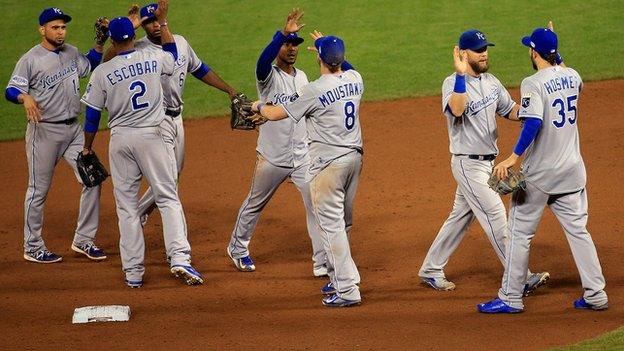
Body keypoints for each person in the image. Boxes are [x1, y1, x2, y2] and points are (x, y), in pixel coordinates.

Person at [477, 26, 608, 313]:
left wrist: (513, 157)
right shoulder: (573, 76)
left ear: (534, 52)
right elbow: (563, 72)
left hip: (541, 175)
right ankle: (596, 294)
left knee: (519, 232)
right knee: (579, 232)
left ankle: (510, 297)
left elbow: (533, 122)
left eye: (530, 48)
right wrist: (553, 49)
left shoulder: (532, 83)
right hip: (573, 172)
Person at [80, 1, 203, 288]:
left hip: (120, 140)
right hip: (152, 135)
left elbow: (92, 115)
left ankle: (133, 272)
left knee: (126, 208)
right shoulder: (154, 58)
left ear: (112, 40)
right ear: (134, 37)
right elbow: (173, 55)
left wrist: (87, 148)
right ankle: (180, 258)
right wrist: (164, 22)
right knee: (167, 196)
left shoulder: (102, 72)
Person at [418, 29, 549, 294]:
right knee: (496, 215)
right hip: (468, 164)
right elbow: (456, 110)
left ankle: (431, 268)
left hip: (487, 164)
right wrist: (460, 75)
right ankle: (520, 278)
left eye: (485, 48)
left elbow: (510, 110)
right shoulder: (452, 83)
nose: (484, 53)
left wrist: (531, 111)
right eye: (478, 50)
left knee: (460, 217)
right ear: (463, 54)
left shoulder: (491, 81)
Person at [248, 31, 363, 307]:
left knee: (330, 225)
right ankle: (341, 279)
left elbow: (275, 114)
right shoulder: (356, 80)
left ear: (320, 58)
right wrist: (331, 49)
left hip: (329, 167)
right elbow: (349, 67)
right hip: (355, 160)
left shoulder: (314, 89)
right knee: (343, 222)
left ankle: (347, 290)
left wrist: (258, 105)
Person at [226, 9, 327, 277]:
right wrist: (281, 33)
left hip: (302, 156)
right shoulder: (267, 76)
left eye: (295, 44)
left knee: (315, 205)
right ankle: (237, 248)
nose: (292, 48)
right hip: (272, 157)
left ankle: (321, 261)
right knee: (255, 203)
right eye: (287, 43)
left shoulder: (303, 77)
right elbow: (262, 60)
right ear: (278, 45)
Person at [5, 7, 106, 263]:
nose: (60, 32)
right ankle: (33, 246)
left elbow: (90, 64)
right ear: (42, 30)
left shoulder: (71, 51)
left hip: (74, 130)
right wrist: (24, 96)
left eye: (63, 27)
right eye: (55, 27)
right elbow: (10, 89)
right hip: (44, 132)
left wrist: (99, 41)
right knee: (38, 190)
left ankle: (84, 239)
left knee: (92, 178)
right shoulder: (30, 59)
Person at [130, 3, 239, 227]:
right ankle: (137, 219)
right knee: (169, 179)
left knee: (175, 173)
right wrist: (128, 32)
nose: (155, 25)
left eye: (157, 18)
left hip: (178, 118)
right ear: (142, 26)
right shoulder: (136, 50)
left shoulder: (180, 42)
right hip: (156, 122)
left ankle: (138, 213)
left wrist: (229, 89)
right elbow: (109, 61)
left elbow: (199, 69)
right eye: (149, 21)